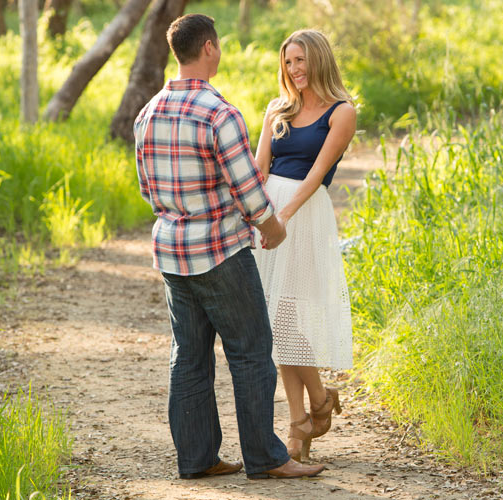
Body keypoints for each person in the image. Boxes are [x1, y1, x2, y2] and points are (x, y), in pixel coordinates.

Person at [133, 14, 325, 480]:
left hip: (173, 253)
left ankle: (198, 459)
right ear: (210, 48)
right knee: (252, 350)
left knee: (190, 356)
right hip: (220, 251)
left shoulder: (148, 111)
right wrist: (270, 225)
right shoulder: (219, 113)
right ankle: (265, 458)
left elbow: (145, 187)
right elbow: (245, 184)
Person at [252, 29, 357, 461]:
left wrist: (285, 216)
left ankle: (302, 422)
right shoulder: (276, 109)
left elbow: (316, 174)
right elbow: (260, 170)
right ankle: (310, 408)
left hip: (303, 214)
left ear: (318, 60)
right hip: (269, 214)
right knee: (274, 321)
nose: (294, 70)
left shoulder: (341, 112)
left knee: (285, 315)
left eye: (300, 61)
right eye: (288, 62)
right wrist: (253, 215)